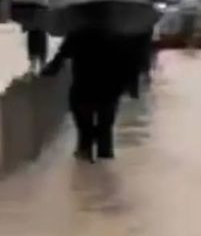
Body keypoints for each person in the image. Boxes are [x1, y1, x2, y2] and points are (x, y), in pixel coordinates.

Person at [43, 28, 141, 162]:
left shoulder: (78, 32)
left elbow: (62, 56)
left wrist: (49, 70)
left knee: (84, 127)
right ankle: (104, 160)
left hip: (84, 86)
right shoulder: (119, 33)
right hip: (109, 88)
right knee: (105, 128)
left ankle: (86, 152)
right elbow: (130, 62)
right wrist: (131, 86)